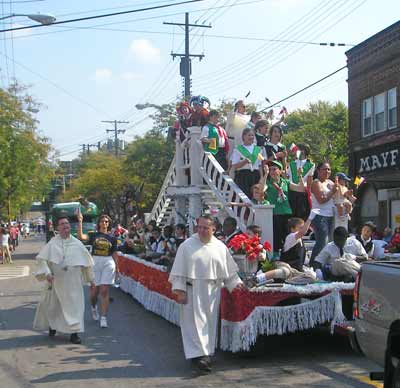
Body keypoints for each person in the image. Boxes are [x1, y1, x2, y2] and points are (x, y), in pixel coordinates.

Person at [168, 215, 243, 373]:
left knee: (207, 324)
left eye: (206, 228)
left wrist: (236, 285)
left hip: (211, 291)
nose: (201, 230)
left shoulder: (220, 247)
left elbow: (229, 272)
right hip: (191, 290)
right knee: (193, 324)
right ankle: (201, 357)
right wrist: (179, 289)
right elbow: (179, 271)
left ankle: (204, 355)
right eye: (199, 227)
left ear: (213, 229)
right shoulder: (187, 246)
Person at [33, 217, 95, 344]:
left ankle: (74, 334)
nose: (65, 225)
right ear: (58, 228)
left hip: (73, 283)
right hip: (57, 281)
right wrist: (47, 273)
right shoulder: (52, 243)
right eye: (62, 223)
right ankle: (53, 326)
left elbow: (87, 263)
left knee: (75, 307)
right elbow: (41, 260)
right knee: (55, 307)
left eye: (67, 223)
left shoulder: (77, 244)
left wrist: (91, 280)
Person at [77, 213, 118, 329]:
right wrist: (80, 221)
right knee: (94, 291)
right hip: (95, 261)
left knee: (104, 290)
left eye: (106, 222)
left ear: (109, 224)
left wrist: (118, 269)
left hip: (108, 262)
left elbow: (114, 254)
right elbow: (81, 237)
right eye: (102, 221)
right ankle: (94, 307)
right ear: (99, 223)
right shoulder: (93, 235)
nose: (104, 223)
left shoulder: (112, 238)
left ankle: (104, 317)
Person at [260, 160, 305, 254]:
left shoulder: (286, 182)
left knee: (288, 237)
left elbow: (301, 188)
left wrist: (300, 175)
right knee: (276, 237)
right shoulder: (268, 183)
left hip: (286, 213)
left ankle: (289, 255)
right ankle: (276, 256)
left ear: (280, 171)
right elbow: (261, 189)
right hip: (275, 213)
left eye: (274, 169)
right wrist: (265, 174)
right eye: (270, 169)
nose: (272, 171)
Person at [309, 162, 338, 265]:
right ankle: (313, 264)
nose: (327, 171)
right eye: (324, 169)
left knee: (329, 243)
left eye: (329, 169)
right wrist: (332, 191)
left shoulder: (330, 182)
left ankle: (324, 264)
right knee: (322, 242)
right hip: (319, 216)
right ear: (318, 171)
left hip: (330, 215)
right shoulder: (316, 183)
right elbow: (321, 200)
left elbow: (338, 195)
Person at [230, 128, 266, 197]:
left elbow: (259, 165)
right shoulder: (238, 149)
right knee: (243, 196)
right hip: (243, 176)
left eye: (252, 135)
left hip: (255, 175)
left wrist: (261, 177)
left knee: (255, 196)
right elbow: (235, 165)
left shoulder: (258, 149)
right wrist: (244, 162)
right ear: (244, 136)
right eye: (249, 135)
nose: (251, 137)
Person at [287, 143, 315, 220]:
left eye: (297, 149)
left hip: (302, 194)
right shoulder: (292, 163)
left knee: (301, 217)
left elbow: (309, 182)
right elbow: (288, 176)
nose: (295, 151)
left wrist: (309, 196)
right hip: (291, 192)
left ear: (303, 151)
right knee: (291, 216)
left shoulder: (311, 165)